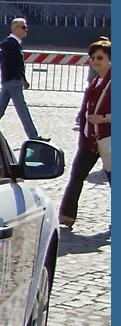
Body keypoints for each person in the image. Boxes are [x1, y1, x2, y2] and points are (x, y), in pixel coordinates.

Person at [59, 39, 111, 228]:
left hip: (109, 139)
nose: (95, 61)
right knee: (76, 176)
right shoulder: (96, 81)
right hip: (89, 139)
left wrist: (104, 118)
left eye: (100, 58)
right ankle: (66, 216)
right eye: (92, 58)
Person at [0, 17, 49, 142]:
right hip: (12, 81)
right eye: (23, 27)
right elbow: (12, 65)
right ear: (15, 28)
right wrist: (19, 78)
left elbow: (16, 65)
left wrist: (23, 79)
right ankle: (33, 137)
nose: (26, 30)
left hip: (10, 81)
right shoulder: (11, 44)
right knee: (22, 111)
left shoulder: (11, 44)